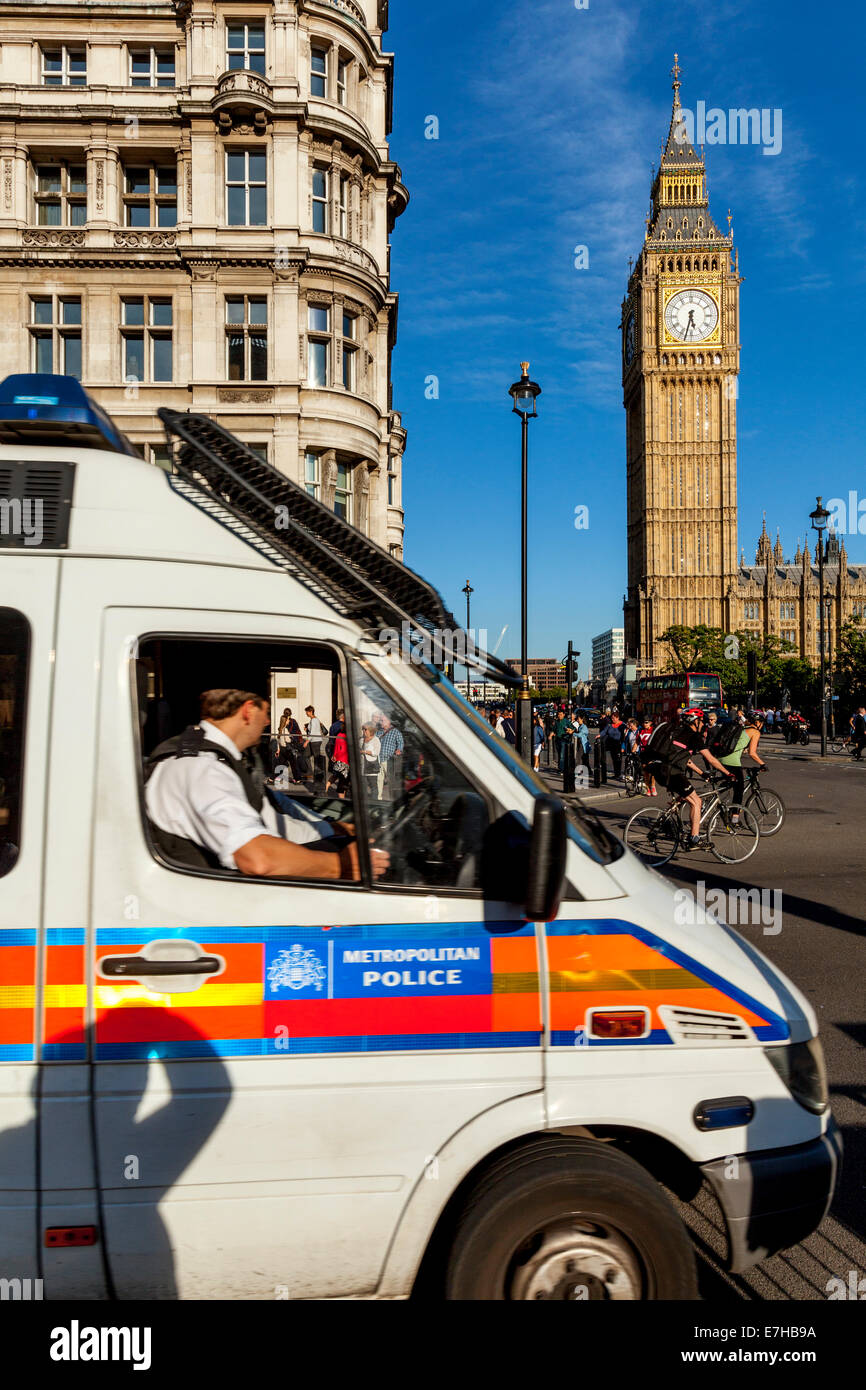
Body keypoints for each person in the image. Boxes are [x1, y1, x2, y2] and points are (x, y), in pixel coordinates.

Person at [145, 688, 389, 880]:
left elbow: (271, 823)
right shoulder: (201, 769)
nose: (267, 722)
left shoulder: (221, 760)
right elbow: (257, 858)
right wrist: (342, 865)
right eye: (266, 712)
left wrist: (335, 830)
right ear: (248, 710)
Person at [641, 707, 733, 847]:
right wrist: (728, 773)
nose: (703, 724)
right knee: (696, 802)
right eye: (701, 721)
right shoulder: (694, 736)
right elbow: (711, 759)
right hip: (672, 773)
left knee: (685, 795)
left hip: (659, 769)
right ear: (695, 721)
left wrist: (701, 773)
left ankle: (668, 823)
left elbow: (684, 759)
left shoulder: (677, 731)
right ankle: (694, 839)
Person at [718, 711, 766, 806]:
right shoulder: (755, 732)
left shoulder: (742, 728)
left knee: (730, 781)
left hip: (720, 758)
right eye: (762, 723)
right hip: (731, 761)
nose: (762, 725)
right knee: (739, 789)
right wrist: (762, 764)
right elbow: (752, 753)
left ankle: (714, 797)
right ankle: (734, 816)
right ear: (757, 722)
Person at [377, 712, 404, 801]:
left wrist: (399, 750)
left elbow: (400, 742)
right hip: (378, 759)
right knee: (379, 781)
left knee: (391, 782)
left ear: (389, 721)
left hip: (389, 760)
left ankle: (392, 800)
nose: (381, 722)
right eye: (381, 720)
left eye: (383, 720)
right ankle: (379, 799)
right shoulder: (379, 731)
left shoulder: (395, 732)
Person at [303, 704, 327, 785]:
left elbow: (313, 732)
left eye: (306, 712)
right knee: (306, 755)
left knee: (317, 759)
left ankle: (319, 778)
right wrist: (307, 729)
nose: (306, 713)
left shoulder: (314, 720)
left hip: (315, 741)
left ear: (310, 712)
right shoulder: (314, 720)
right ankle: (310, 773)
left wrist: (307, 741)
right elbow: (313, 731)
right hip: (313, 741)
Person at [359, 722, 381, 795]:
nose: (363, 731)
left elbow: (376, 753)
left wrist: (364, 751)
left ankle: (375, 802)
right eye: (363, 729)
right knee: (363, 788)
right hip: (362, 767)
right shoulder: (361, 739)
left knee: (373, 787)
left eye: (365, 729)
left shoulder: (376, 740)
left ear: (371, 730)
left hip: (371, 766)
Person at [637, 716, 657, 795]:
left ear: (650, 723)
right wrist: (633, 751)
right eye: (643, 722)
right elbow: (637, 742)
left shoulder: (653, 731)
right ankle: (648, 788)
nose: (644, 724)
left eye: (646, 722)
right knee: (645, 772)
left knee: (651, 771)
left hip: (651, 753)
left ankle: (653, 786)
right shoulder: (641, 731)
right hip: (643, 753)